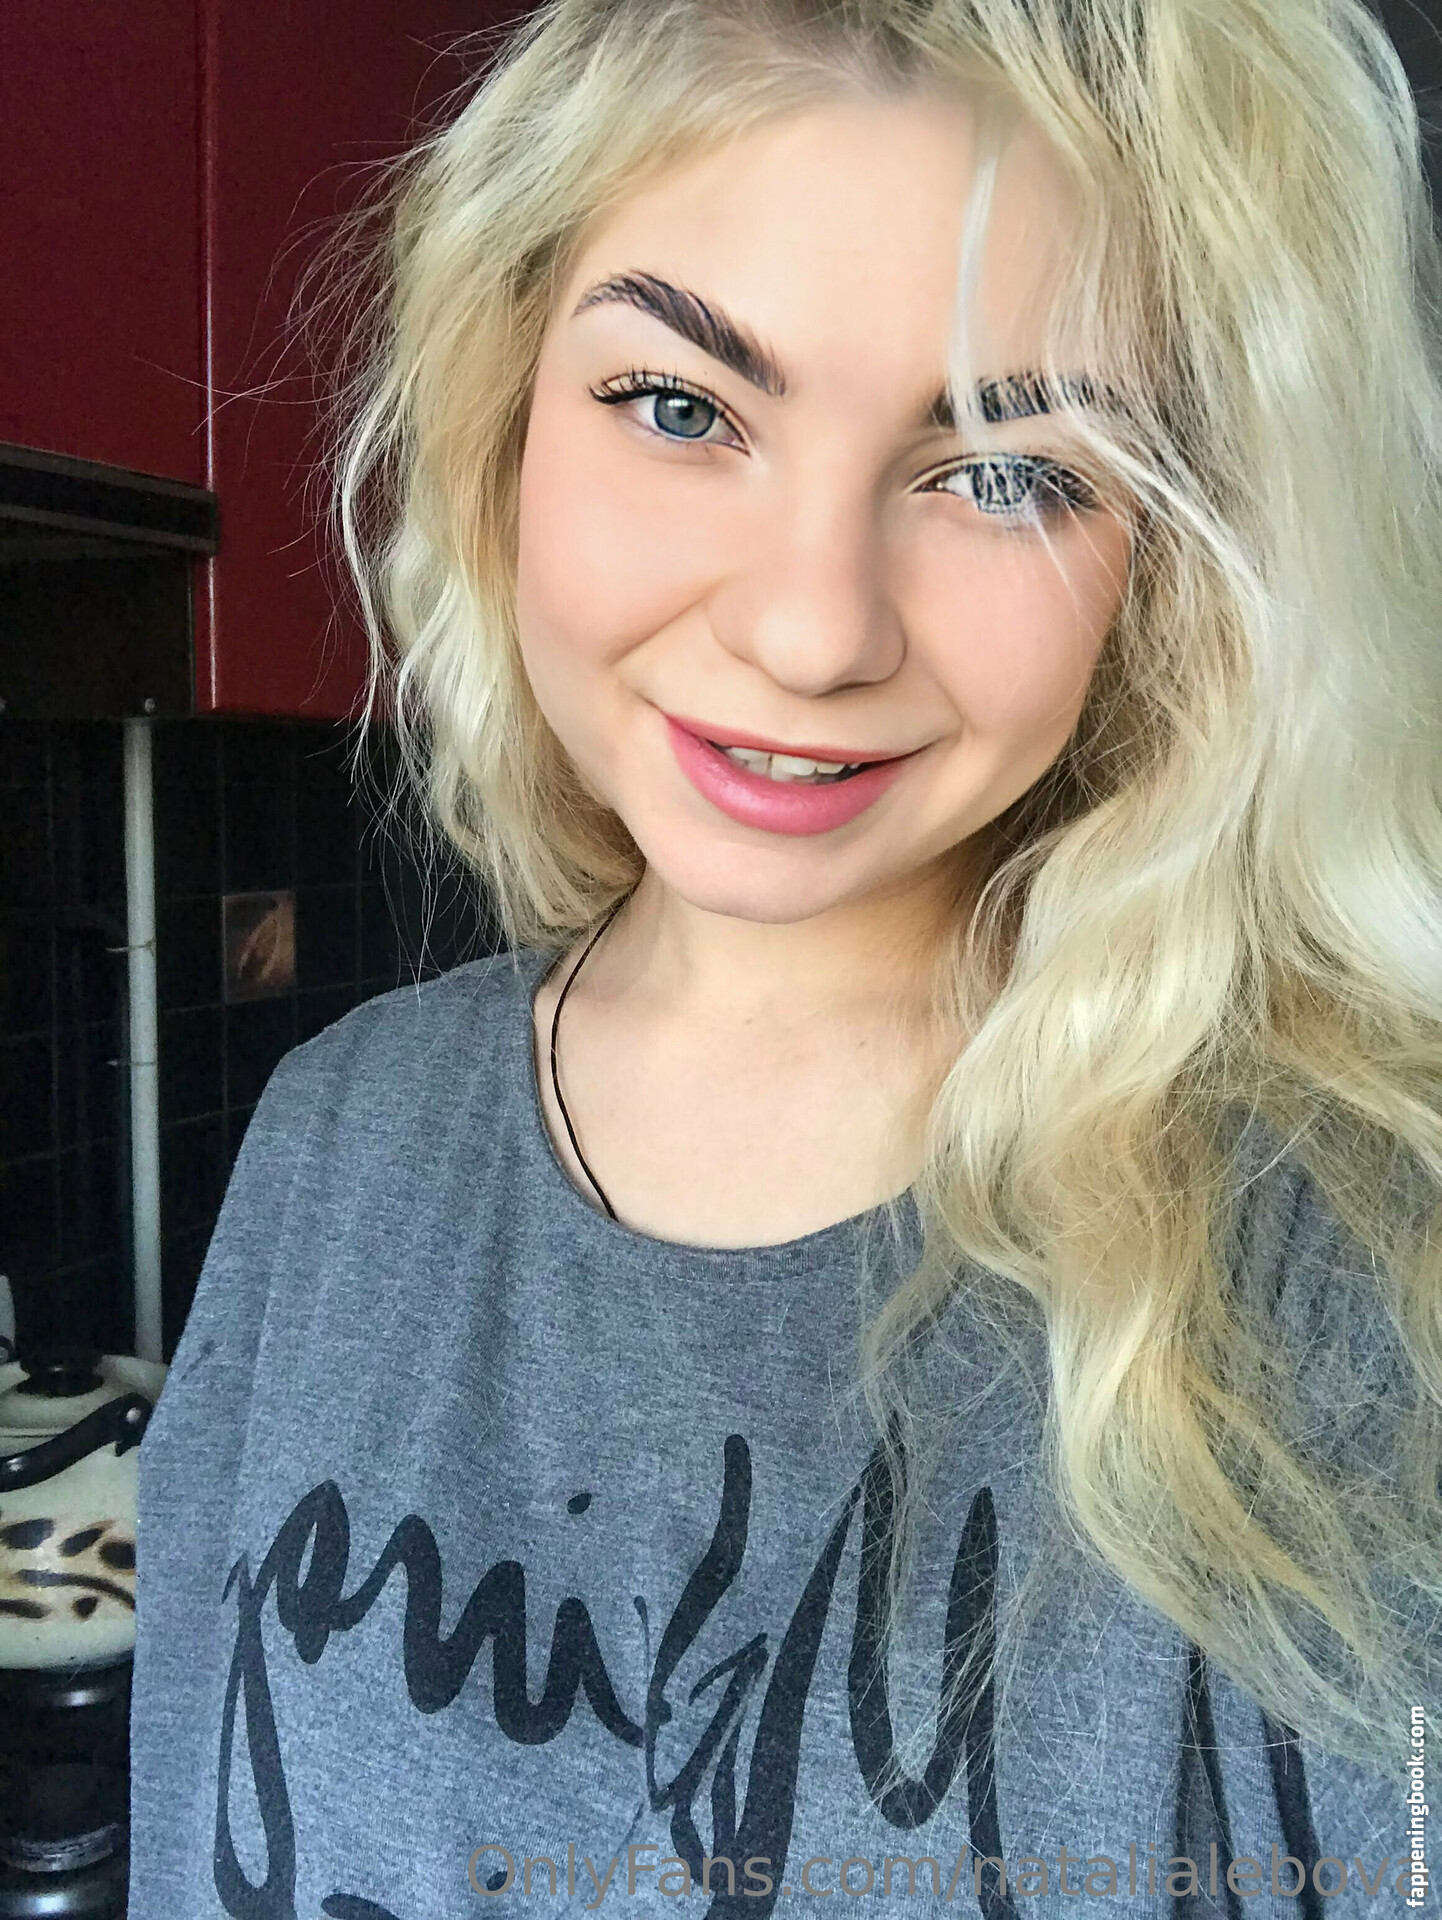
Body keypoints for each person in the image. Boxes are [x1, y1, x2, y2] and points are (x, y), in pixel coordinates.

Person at [128, 1, 1442, 1914]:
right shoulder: (338, 1140)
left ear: (1175, 561)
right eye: (681, 407)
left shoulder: (1353, 1253)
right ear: (503, 411)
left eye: (1008, 470)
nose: (815, 630)